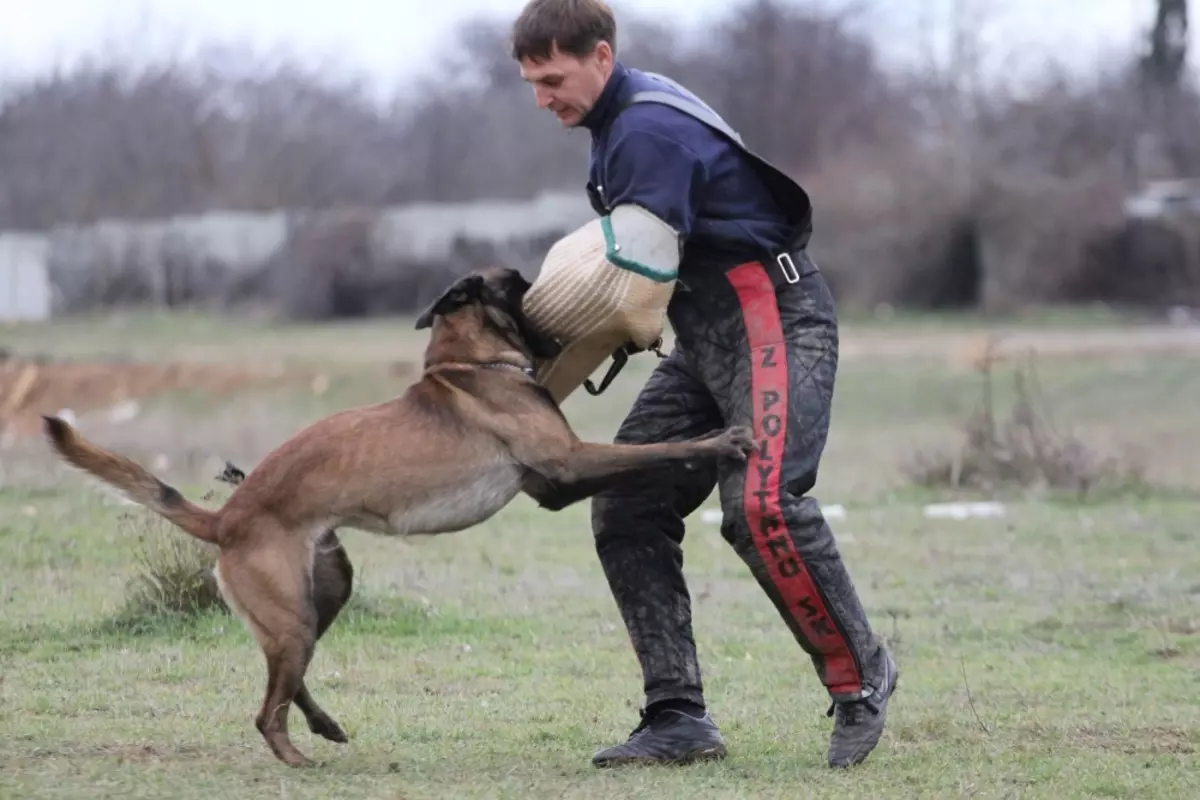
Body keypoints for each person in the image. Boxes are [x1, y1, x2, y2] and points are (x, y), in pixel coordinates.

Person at [509, 0, 898, 770]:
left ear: (600, 55)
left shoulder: (645, 131)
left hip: (771, 317)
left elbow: (624, 285)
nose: (541, 97)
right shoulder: (623, 122)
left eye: (552, 77)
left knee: (760, 507)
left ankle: (861, 677)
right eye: (529, 81)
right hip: (709, 336)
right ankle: (677, 717)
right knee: (627, 501)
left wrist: (529, 383)